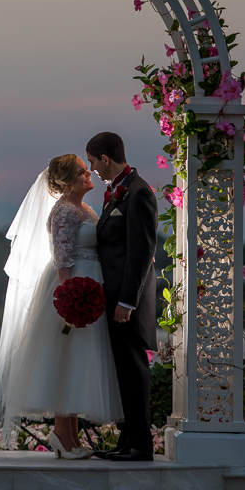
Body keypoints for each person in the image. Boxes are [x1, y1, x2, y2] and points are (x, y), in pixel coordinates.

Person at [0, 154, 123, 459]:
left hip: (90, 284)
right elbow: (62, 258)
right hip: (74, 286)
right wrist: (70, 299)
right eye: (81, 171)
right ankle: (63, 437)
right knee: (68, 361)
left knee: (77, 363)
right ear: (67, 181)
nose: (88, 173)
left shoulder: (85, 208)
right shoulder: (65, 212)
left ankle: (71, 438)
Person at [86, 131, 158, 462]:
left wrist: (127, 301)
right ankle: (127, 441)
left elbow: (141, 252)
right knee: (123, 373)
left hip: (127, 302)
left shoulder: (139, 193)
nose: (92, 169)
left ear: (106, 158)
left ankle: (142, 445)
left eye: (92, 162)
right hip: (114, 299)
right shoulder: (118, 193)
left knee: (133, 371)